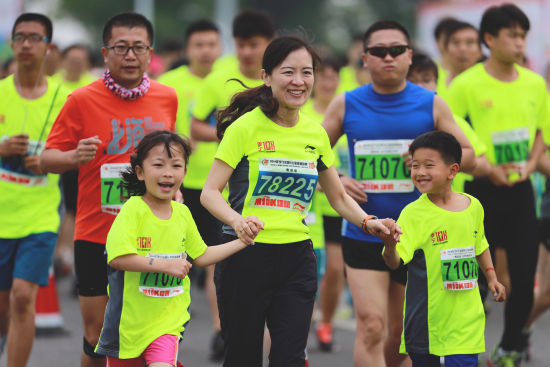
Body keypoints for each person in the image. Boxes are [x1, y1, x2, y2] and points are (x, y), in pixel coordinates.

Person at [200, 35, 399, 367]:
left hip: (297, 259)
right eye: (288, 72)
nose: (299, 81)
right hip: (245, 256)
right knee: (244, 357)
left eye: (307, 72)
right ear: (267, 76)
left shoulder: (315, 133)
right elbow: (210, 193)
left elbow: (336, 194)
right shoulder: (245, 128)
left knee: (290, 357)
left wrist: (368, 221)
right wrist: (237, 223)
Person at [322, 20, 475, 367]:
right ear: (364, 58)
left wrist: (431, 162)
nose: (387, 57)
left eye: (396, 50)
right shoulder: (345, 104)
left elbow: (470, 156)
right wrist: (337, 177)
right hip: (364, 230)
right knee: (372, 326)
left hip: (419, 235)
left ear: (409, 55)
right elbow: (307, 156)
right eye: (378, 51)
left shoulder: (432, 104)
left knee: (401, 336)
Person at [40, 12, 177, 367]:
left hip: (151, 235)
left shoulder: (167, 98)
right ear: (105, 52)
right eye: (121, 47)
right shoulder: (81, 100)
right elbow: (46, 159)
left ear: (149, 52)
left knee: (144, 332)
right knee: (97, 332)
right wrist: (74, 155)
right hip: (97, 233)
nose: (130, 56)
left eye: (138, 47)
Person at [94, 130, 262, 366]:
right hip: (126, 327)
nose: (167, 173)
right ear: (140, 172)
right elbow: (118, 257)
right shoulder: (133, 209)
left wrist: (242, 241)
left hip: (168, 324)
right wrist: (165, 266)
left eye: (176, 166)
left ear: (184, 172)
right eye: (159, 165)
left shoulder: (183, 213)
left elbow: (202, 255)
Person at [447, 5, 548, 366]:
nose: (520, 42)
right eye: (513, 35)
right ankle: (463, 352)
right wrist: (488, 168)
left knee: (523, 280)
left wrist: (532, 164)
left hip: (521, 193)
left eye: (523, 35)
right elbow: (451, 135)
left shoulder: (535, 84)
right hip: (478, 193)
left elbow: (541, 133)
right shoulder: (464, 85)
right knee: (472, 281)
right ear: (489, 40)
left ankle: (509, 348)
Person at [188, 10, 275, 360]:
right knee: (218, 257)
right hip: (214, 186)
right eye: (241, 46)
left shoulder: (282, 77)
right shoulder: (218, 80)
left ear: (268, 44)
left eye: (254, 45)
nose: (247, 53)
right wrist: (231, 137)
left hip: (265, 189)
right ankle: (221, 329)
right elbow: (196, 127)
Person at [382, 130, 506, 367]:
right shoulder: (413, 213)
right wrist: (389, 244)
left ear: (453, 171)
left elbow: (479, 244)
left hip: (466, 320)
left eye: (429, 165)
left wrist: (491, 278)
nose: (419, 172)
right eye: (415, 165)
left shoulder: (473, 206)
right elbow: (395, 261)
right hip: (426, 321)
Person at [0, 12, 70, 366]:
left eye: (35, 38)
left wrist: (49, 160)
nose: (26, 44)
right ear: (12, 45)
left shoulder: (66, 99)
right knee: (3, 307)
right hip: (1, 217)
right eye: (20, 37)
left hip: (40, 218)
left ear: (49, 47)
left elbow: (80, 153)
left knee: (23, 298)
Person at [302, 57, 348, 352]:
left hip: (340, 208)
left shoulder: (347, 114)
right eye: (323, 77)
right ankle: (302, 324)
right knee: (309, 270)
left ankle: (326, 321)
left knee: (335, 269)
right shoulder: (302, 114)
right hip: (309, 210)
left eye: (334, 78)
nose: (328, 84)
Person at [436, 21, 482, 101]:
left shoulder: (489, 83)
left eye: (470, 43)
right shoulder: (434, 83)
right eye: (456, 43)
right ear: (445, 49)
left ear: (480, 51)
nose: (462, 49)